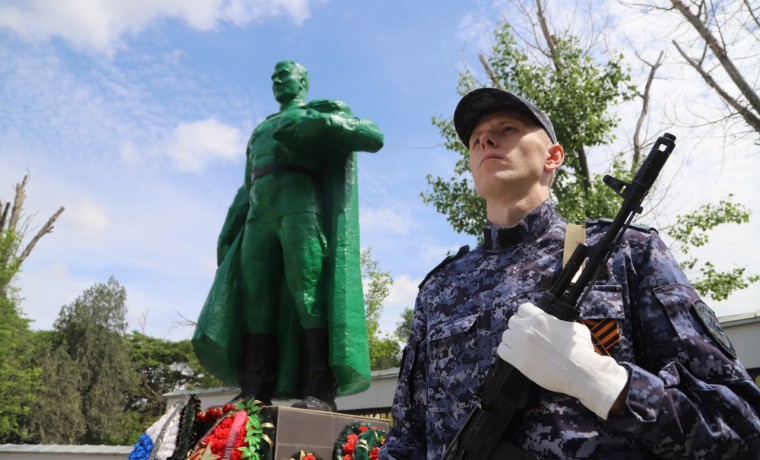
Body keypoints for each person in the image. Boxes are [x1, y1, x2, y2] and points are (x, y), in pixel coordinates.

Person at [379, 87, 760, 459]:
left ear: (553, 156)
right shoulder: (440, 288)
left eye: (506, 129)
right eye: (476, 139)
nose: (486, 141)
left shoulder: (625, 251)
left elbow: (743, 427)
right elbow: (406, 438)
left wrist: (609, 384)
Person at [193, 61, 384, 412]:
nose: (278, 80)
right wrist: (229, 226)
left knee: (307, 291)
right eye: (274, 76)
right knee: (256, 298)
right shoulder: (260, 129)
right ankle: (255, 388)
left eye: (285, 74)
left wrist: (319, 123)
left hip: (300, 202)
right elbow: (247, 184)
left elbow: (372, 136)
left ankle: (320, 388)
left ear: (303, 81)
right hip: (258, 212)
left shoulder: (317, 112)